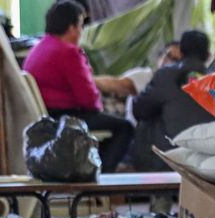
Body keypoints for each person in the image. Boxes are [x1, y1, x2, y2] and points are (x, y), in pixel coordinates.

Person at [23, 1, 136, 172]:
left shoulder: (38, 49)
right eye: (81, 25)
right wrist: (99, 105)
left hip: (47, 116)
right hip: (65, 118)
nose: (81, 31)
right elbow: (89, 100)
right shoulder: (67, 52)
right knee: (125, 127)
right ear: (72, 27)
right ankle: (99, 176)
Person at [131, 30, 215, 174]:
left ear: (181, 53)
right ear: (207, 56)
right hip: (209, 156)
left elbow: (139, 110)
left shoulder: (165, 75)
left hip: (169, 157)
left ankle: (148, 179)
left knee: (146, 121)